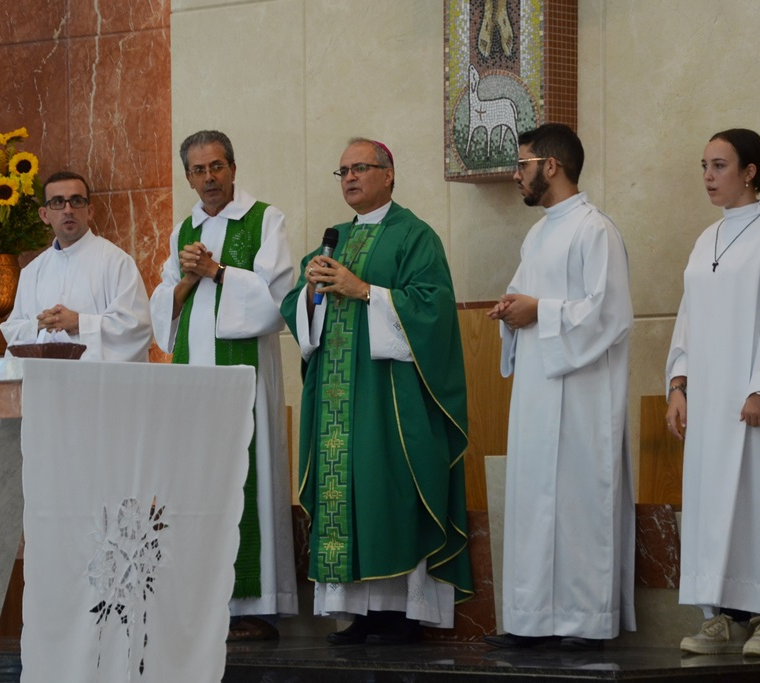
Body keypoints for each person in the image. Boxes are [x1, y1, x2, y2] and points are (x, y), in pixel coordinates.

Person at [280, 138, 472, 645]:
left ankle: (401, 615)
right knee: (346, 496)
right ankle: (358, 613)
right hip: (336, 402)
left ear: (388, 174)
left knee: (388, 492)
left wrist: (363, 289)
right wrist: (310, 293)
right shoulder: (333, 240)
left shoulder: (415, 236)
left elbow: (432, 310)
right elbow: (297, 314)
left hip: (389, 400)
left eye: (360, 168)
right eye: (342, 170)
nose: (349, 177)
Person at [484, 123, 636, 652]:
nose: (515, 175)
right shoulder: (538, 234)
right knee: (533, 502)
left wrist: (540, 312)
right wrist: (510, 310)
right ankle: (530, 620)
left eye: (522, 164)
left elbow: (611, 314)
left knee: (576, 503)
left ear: (551, 166)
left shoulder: (596, 230)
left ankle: (583, 621)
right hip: (537, 391)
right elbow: (525, 297)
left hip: (582, 395)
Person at [666, 128, 760, 658]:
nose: (708, 177)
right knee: (712, 504)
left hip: (757, 402)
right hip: (710, 404)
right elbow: (688, 316)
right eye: (704, 166)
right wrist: (679, 384)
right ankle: (722, 615)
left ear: (750, 172)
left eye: (720, 166)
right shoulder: (706, 240)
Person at [149, 130, 298, 641]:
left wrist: (216, 271)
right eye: (198, 170)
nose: (209, 178)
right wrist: (189, 279)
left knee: (247, 474)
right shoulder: (183, 229)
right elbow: (164, 306)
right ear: (188, 177)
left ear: (233, 168)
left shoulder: (265, 219)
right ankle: (205, 602)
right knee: (198, 479)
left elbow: (278, 298)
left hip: (244, 374)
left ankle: (255, 603)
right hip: (193, 378)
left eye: (217, 166)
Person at [1, 170, 151, 361]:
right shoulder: (32, 271)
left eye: (76, 201)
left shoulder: (116, 262)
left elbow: (136, 328)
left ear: (90, 211)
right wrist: (39, 326)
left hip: (97, 378)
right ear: (44, 215)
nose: (68, 210)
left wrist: (79, 323)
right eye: (58, 202)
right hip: (46, 377)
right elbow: (13, 331)